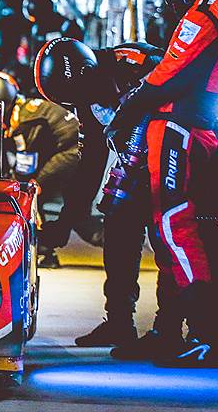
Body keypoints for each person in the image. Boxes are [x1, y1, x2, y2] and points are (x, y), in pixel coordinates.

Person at [105, 0, 218, 367]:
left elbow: (169, 73)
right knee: (199, 230)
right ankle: (173, 331)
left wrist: (125, 112)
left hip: (183, 130)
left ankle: (208, 334)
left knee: (176, 228)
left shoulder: (210, 4)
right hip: (209, 129)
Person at [35, 37, 174, 351]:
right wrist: (66, 222)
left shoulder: (137, 61)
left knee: (169, 241)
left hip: (173, 155)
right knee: (118, 228)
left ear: (87, 72)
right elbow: (90, 162)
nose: (80, 104)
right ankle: (119, 323)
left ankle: (168, 331)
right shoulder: (84, 98)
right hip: (135, 163)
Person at [0, 71, 80, 268]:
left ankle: (44, 250)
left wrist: (10, 183)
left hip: (73, 150)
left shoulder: (25, 121)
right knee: (79, 215)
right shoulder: (19, 112)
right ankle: (46, 246)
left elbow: (25, 169)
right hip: (71, 148)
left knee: (28, 191)